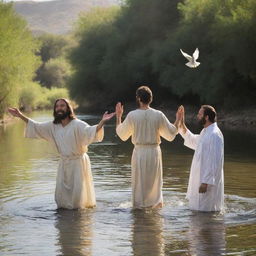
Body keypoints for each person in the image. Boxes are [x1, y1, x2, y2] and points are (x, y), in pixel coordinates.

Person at [8, 98, 115, 209]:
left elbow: (90, 131)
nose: (59, 108)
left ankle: (80, 221)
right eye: (57, 106)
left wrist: (102, 122)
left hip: (78, 164)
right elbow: (36, 126)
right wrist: (20, 115)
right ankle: (64, 221)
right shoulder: (53, 126)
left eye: (62, 106)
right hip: (64, 164)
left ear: (68, 108)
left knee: (78, 199)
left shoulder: (78, 124)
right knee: (62, 198)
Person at [115, 86, 180, 209]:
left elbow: (122, 134)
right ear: (150, 99)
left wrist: (118, 116)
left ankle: (140, 208)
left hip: (139, 152)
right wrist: (178, 119)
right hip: (154, 152)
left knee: (139, 181)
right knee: (155, 181)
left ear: (139, 99)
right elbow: (171, 133)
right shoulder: (158, 114)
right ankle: (155, 206)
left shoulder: (132, 115)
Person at [178, 105, 224, 212]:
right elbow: (193, 140)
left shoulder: (214, 134)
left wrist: (205, 182)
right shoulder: (206, 131)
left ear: (206, 117)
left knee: (207, 212)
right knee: (198, 213)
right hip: (202, 180)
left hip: (207, 184)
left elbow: (214, 160)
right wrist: (181, 124)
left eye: (199, 114)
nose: (197, 116)